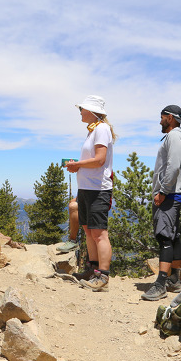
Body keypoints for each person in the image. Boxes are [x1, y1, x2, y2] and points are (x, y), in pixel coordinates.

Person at [141, 105, 181, 301]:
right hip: (176, 192)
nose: (160, 121)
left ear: (170, 118)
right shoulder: (180, 137)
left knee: (164, 236)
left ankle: (160, 284)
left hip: (170, 193)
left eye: (162, 117)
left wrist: (163, 191)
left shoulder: (173, 137)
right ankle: (174, 279)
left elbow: (172, 166)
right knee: (174, 236)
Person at [65, 95, 116, 291]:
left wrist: (77, 165)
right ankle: (92, 269)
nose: (80, 112)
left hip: (98, 188)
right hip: (87, 187)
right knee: (88, 230)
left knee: (99, 233)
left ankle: (102, 276)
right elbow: (94, 160)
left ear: (92, 111)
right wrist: (78, 167)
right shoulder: (94, 129)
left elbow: (100, 159)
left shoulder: (101, 129)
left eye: (82, 109)